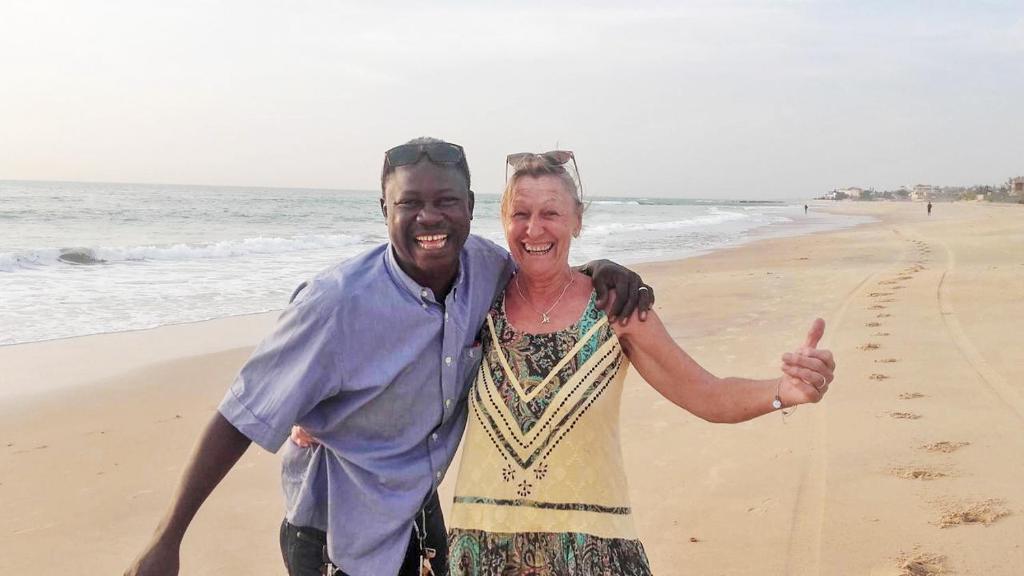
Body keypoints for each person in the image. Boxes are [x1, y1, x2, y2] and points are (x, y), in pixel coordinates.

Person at [124, 138, 652, 576]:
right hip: (336, 536)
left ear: (469, 206)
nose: (430, 218)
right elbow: (241, 415)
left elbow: (544, 277)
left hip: (421, 519)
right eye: (409, 203)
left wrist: (600, 270)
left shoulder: (486, 271)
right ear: (384, 210)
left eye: (446, 201)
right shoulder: (336, 304)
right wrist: (167, 538)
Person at [445, 152, 836, 575]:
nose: (534, 228)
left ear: (577, 220)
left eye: (550, 213)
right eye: (520, 213)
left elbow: (708, 394)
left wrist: (783, 392)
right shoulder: (474, 303)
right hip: (479, 551)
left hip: (592, 555)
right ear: (503, 219)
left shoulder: (616, 309)